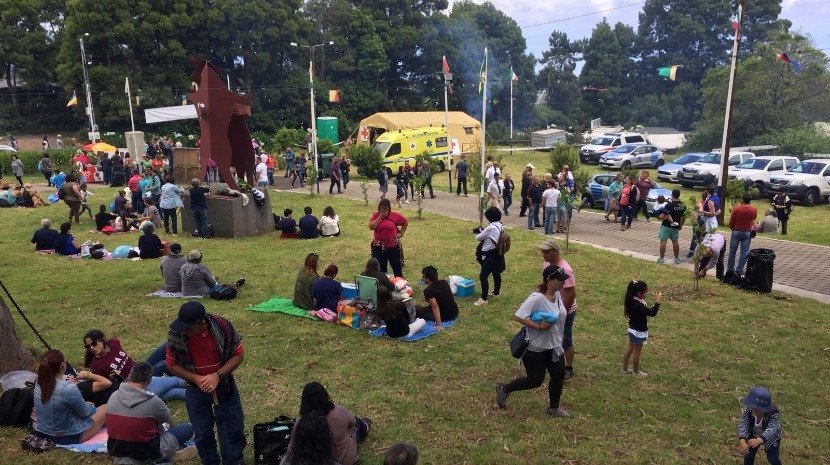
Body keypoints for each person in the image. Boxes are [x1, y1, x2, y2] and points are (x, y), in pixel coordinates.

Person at [166, 302, 246, 465]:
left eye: (188, 328)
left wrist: (217, 375)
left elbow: (238, 354)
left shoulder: (223, 327)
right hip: (195, 389)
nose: (184, 331)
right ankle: (210, 461)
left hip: (224, 385)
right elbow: (171, 364)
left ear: (201, 323)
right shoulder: (176, 334)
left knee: (234, 428)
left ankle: (234, 461)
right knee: (202, 431)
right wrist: (196, 379)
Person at [496, 265, 570, 417]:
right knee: (535, 380)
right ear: (549, 280)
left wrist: (560, 334)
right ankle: (504, 389)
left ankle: (554, 408)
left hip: (554, 345)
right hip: (536, 347)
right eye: (560, 280)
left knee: (558, 375)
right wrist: (539, 326)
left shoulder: (557, 295)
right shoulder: (537, 298)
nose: (563, 283)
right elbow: (519, 316)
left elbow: (559, 316)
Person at [106, 362, 197, 464]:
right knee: (188, 428)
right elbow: (166, 420)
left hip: (118, 454)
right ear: (149, 380)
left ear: (130, 376)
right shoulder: (153, 401)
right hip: (147, 455)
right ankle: (170, 454)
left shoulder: (113, 395)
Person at [83, 330, 185, 401]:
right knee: (163, 366)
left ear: (103, 340)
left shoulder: (114, 343)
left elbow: (124, 356)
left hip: (140, 368)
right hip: (134, 382)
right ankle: (192, 383)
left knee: (166, 345)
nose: (91, 348)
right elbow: (108, 387)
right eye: (88, 346)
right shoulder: (96, 366)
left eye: (94, 344)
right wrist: (114, 378)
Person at [284, 381, 370, 465]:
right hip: (343, 460)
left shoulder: (301, 421)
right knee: (356, 423)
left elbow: (291, 449)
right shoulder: (338, 412)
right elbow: (352, 422)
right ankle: (365, 425)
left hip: (310, 459)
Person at [33, 349, 107, 445]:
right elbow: (85, 413)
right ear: (62, 365)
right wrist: (91, 406)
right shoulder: (68, 388)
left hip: (44, 432)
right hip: (67, 437)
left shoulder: (39, 382)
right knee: (106, 407)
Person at [538, 238, 578, 379]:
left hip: (564, 309)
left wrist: (564, 313)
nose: (544, 254)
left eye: (547, 251)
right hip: (550, 306)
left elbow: (571, 293)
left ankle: (568, 368)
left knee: (565, 339)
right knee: (549, 335)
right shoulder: (546, 264)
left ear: (556, 251)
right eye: (543, 251)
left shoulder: (565, 270)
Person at [621, 280, 662, 377]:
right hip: (638, 331)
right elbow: (652, 313)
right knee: (637, 351)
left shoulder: (632, 300)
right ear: (639, 293)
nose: (647, 293)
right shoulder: (638, 305)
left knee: (630, 347)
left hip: (632, 329)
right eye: (646, 292)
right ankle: (636, 372)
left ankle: (625, 369)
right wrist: (657, 303)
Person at [738, 386, 783, 465]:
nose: (754, 411)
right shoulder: (748, 411)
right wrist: (742, 439)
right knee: (748, 454)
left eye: (759, 409)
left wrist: (760, 440)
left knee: (772, 458)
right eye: (752, 407)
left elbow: (772, 429)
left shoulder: (772, 415)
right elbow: (744, 423)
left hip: (771, 436)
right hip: (754, 432)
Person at [368, 199, 408, 278]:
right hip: (379, 247)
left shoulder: (395, 215)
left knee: (396, 267)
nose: (383, 210)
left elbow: (405, 222)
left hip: (392, 246)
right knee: (380, 268)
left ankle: (400, 284)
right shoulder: (376, 215)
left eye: (385, 208)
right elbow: (371, 227)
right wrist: (380, 217)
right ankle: (383, 285)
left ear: (389, 208)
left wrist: (401, 233)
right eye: (381, 208)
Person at [474, 207, 505, 306]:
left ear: (488, 217)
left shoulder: (491, 227)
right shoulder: (500, 225)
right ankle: (496, 293)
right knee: (496, 274)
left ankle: (483, 299)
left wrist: (481, 231)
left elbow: (478, 237)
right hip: (498, 253)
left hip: (490, 255)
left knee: (483, 276)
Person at [179, 249, 245, 296]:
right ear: (199, 258)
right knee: (223, 286)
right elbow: (212, 283)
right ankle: (235, 284)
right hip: (202, 292)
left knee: (212, 279)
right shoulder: (202, 268)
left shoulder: (183, 267)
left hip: (185, 292)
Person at [416, 265, 459, 330]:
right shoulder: (444, 283)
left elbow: (435, 307)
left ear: (427, 279)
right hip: (454, 313)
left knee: (418, 311)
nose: (422, 279)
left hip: (445, 317)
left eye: (423, 277)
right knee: (424, 308)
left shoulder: (428, 291)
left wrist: (438, 324)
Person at [727, 194, 758, 277]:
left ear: (742, 200)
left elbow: (732, 221)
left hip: (736, 231)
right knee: (744, 252)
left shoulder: (736, 208)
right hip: (747, 232)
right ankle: (739, 269)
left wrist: (732, 227)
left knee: (732, 251)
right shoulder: (753, 209)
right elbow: (754, 218)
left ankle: (730, 269)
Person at [657, 189, 687, 265]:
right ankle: (676, 258)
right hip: (676, 226)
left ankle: (661, 259)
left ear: (672, 195)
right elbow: (684, 217)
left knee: (663, 241)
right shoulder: (682, 205)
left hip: (666, 226)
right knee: (675, 242)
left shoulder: (668, 205)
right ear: (679, 195)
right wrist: (681, 225)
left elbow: (662, 216)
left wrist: (658, 216)